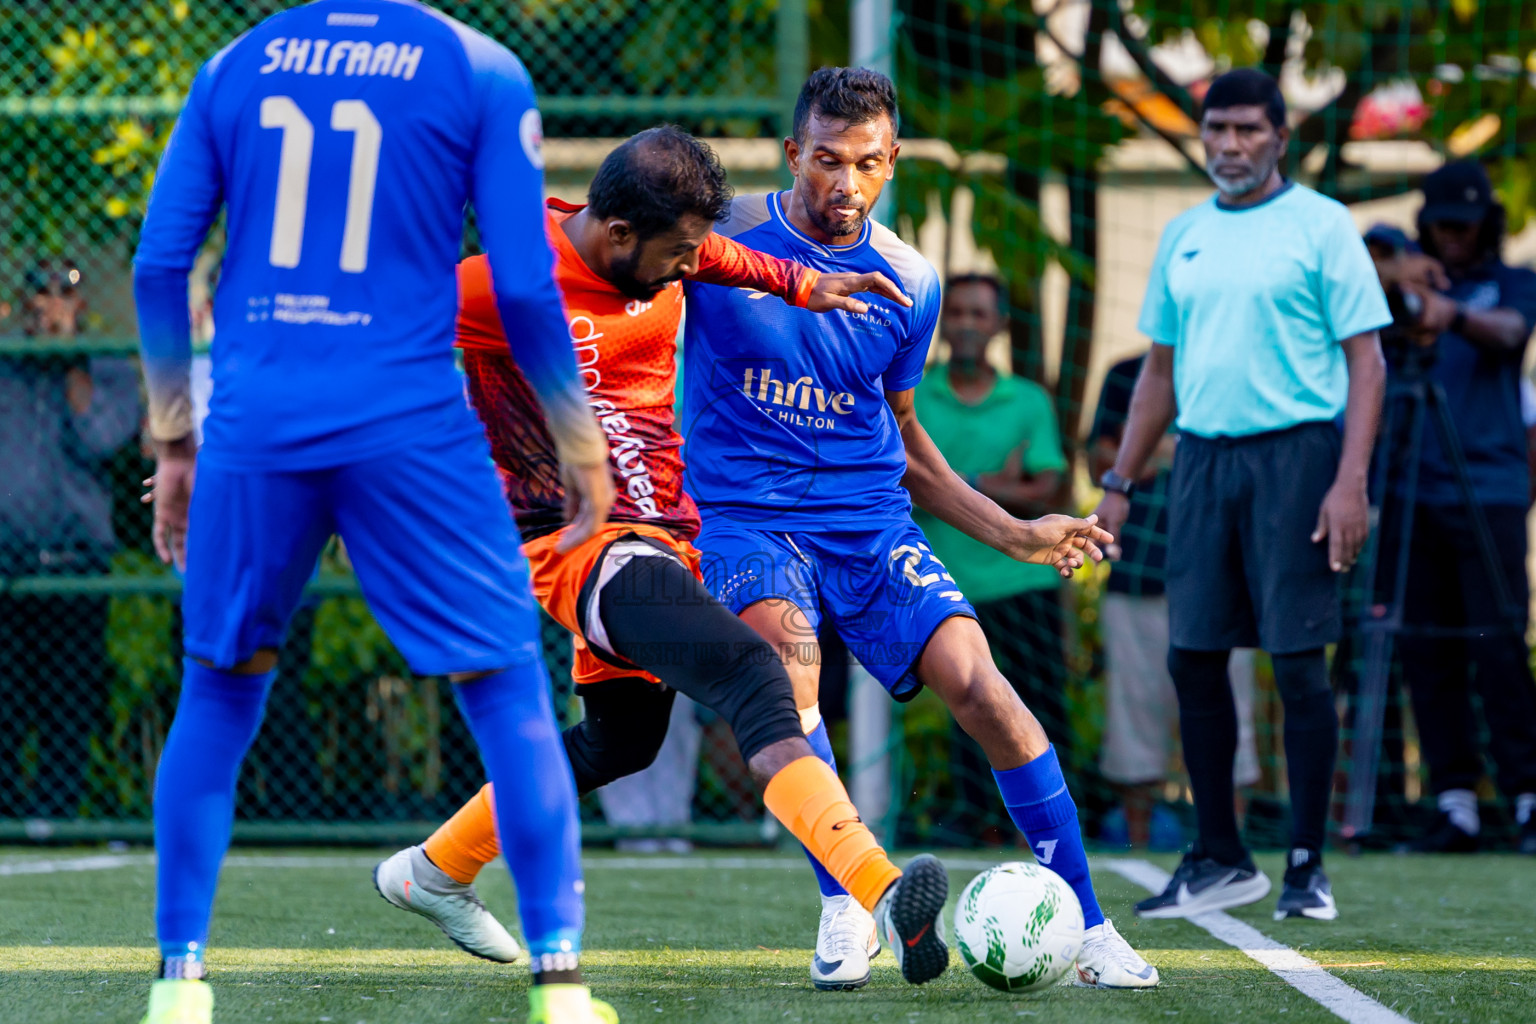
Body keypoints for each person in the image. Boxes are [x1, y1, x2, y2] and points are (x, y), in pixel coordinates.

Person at [371, 126, 960, 989]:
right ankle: (879, 890)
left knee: (623, 742)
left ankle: (432, 871)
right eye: (677, 255)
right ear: (617, 237)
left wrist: (805, 283)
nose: (690, 268)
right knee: (755, 674)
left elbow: (727, 256)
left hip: (660, 539)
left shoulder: (668, 245)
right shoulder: (503, 285)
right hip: (579, 548)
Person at [132, 4, 621, 1022]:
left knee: (217, 696)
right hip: (408, 426)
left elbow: (156, 266)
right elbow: (528, 286)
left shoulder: (234, 63)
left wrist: (176, 437)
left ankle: (179, 983)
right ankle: (561, 986)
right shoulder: (482, 67)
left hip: (256, 421)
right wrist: (579, 440)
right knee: (508, 691)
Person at [682, 67, 1158, 989]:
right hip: (750, 523)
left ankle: (1091, 928)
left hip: (870, 525)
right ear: (793, 155)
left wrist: (1016, 531)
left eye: (866, 163)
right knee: (794, 682)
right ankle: (845, 908)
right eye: (825, 160)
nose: (844, 184)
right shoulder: (720, 241)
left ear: (892, 162)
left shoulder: (911, 281)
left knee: (986, 690)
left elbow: (902, 438)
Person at [1092, 68, 1390, 923]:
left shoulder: (1323, 226)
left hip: (1299, 460)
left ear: (1280, 137)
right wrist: (1118, 483)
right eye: (1217, 129)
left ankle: (1305, 865)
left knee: (1297, 664)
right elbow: (1160, 370)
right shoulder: (1184, 233)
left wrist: (1348, 480)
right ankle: (1220, 855)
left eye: (1248, 130)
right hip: (1201, 466)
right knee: (1191, 656)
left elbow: (1368, 363)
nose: (1230, 145)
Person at [1372, 161, 1536, 855]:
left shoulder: (1514, 283)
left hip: (1490, 490)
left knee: (1498, 646)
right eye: (1443, 226)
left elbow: (1509, 334)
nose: (1455, 238)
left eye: (1466, 226)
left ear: (1487, 226)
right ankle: (1454, 803)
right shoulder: (1406, 286)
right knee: (1423, 652)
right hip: (1410, 493)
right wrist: (1399, 285)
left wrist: (1452, 315)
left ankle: (1527, 797)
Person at [909, 273, 1074, 840]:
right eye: (957, 312)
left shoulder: (1027, 400)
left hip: (1022, 584)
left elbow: (1047, 487)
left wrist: (951, 483)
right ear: (942, 323)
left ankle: (1057, 818)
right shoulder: (913, 397)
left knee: (1040, 701)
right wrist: (995, 482)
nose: (968, 324)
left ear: (1001, 325)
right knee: (967, 708)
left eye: (980, 313)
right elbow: (902, 481)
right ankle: (977, 820)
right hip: (948, 585)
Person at [1088, 352, 1262, 848]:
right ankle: (1139, 851)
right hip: (1137, 581)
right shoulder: (1126, 373)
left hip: (1226, 580)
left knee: (1234, 723)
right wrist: (1180, 451)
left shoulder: (1239, 366)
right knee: (1135, 724)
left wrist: (1147, 451)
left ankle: (1231, 851)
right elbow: (1100, 462)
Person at [0, 261, 140, 821]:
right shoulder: (6, 364)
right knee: (5, 700)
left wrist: (68, 361)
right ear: (26, 301)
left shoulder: (107, 367)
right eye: (43, 294)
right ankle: (6, 817)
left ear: (80, 307)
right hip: (8, 563)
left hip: (75, 563)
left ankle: (54, 817)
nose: (52, 305)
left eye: (64, 296)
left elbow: (100, 440)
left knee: (68, 698)